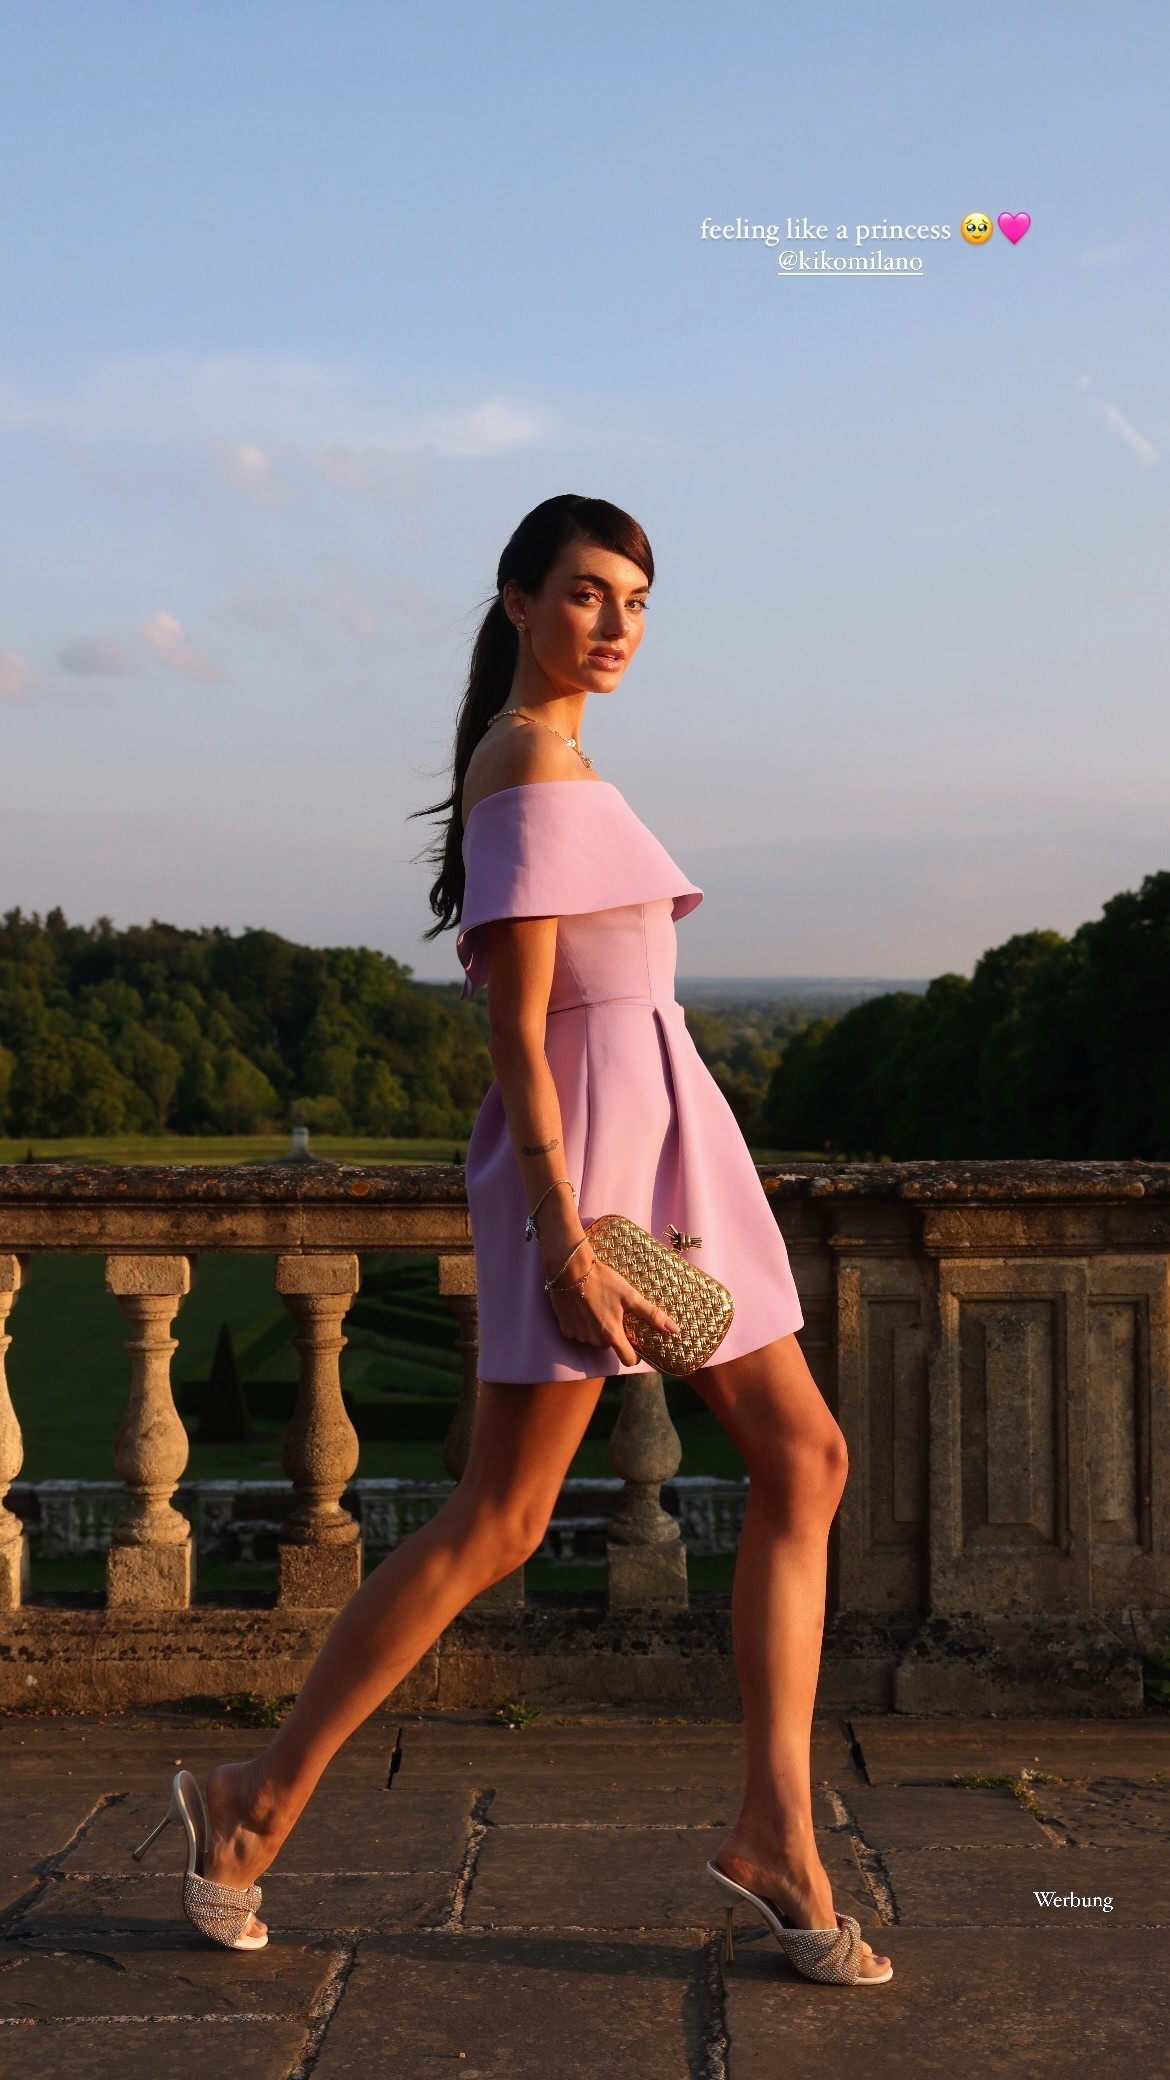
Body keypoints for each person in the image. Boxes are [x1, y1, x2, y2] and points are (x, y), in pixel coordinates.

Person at [133, 492, 891, 1987]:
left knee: (804, 1461)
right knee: (501, 1520)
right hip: (591, 1175)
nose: (615, 625)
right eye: (588, 593)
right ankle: (252, 1802)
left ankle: (774, 1828)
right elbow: (520, 1033)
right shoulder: (530, 760)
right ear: (518, 602)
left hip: (667, 1156)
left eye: (637, 602)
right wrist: (561, 1238)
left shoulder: (560, 760)